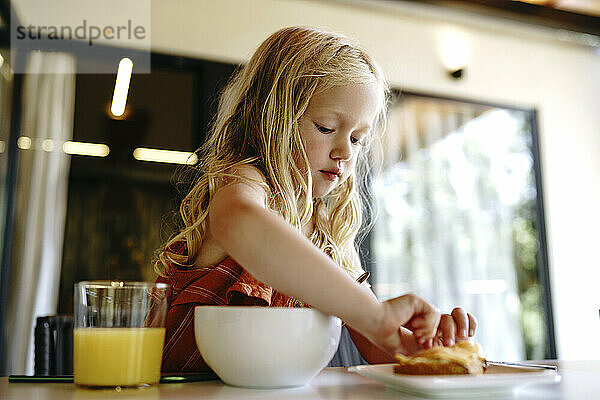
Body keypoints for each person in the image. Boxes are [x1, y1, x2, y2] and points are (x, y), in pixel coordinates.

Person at [154, 26, 477, 372]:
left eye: (357, 139)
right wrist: (377, 314)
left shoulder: (328, 234)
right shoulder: (245, 183)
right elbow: (238, 220)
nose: (344, 152)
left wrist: (429, 346)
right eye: (325, 128)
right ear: (270, 118)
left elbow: (380, 342)